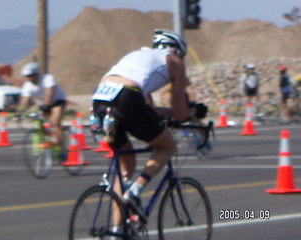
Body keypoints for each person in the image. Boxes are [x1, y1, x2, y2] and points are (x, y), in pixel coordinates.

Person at [92, 29, 206, 232]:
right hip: (127, 97)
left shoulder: (139, 56)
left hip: (101, 99)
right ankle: (135, 191)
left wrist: (170, 113)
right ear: (176, 51)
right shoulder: (174, 62)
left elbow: (148, 109)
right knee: (167, 146)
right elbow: (180, 115)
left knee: (125, 163)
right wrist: (194, 110)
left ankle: (116, 231)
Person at [18, 62, 67, 156]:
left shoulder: (47, 79)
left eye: (31, 75)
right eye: (26, 76)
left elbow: (50, 93)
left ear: (36, 74)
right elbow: (24, 100)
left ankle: (62, 149)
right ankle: (51, 139)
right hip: (43, 104)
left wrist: (46, 105)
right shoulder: (27, 85)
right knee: (39, 122)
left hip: (57, 101)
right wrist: (19, 112)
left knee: (55, 122)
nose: (29, 78)